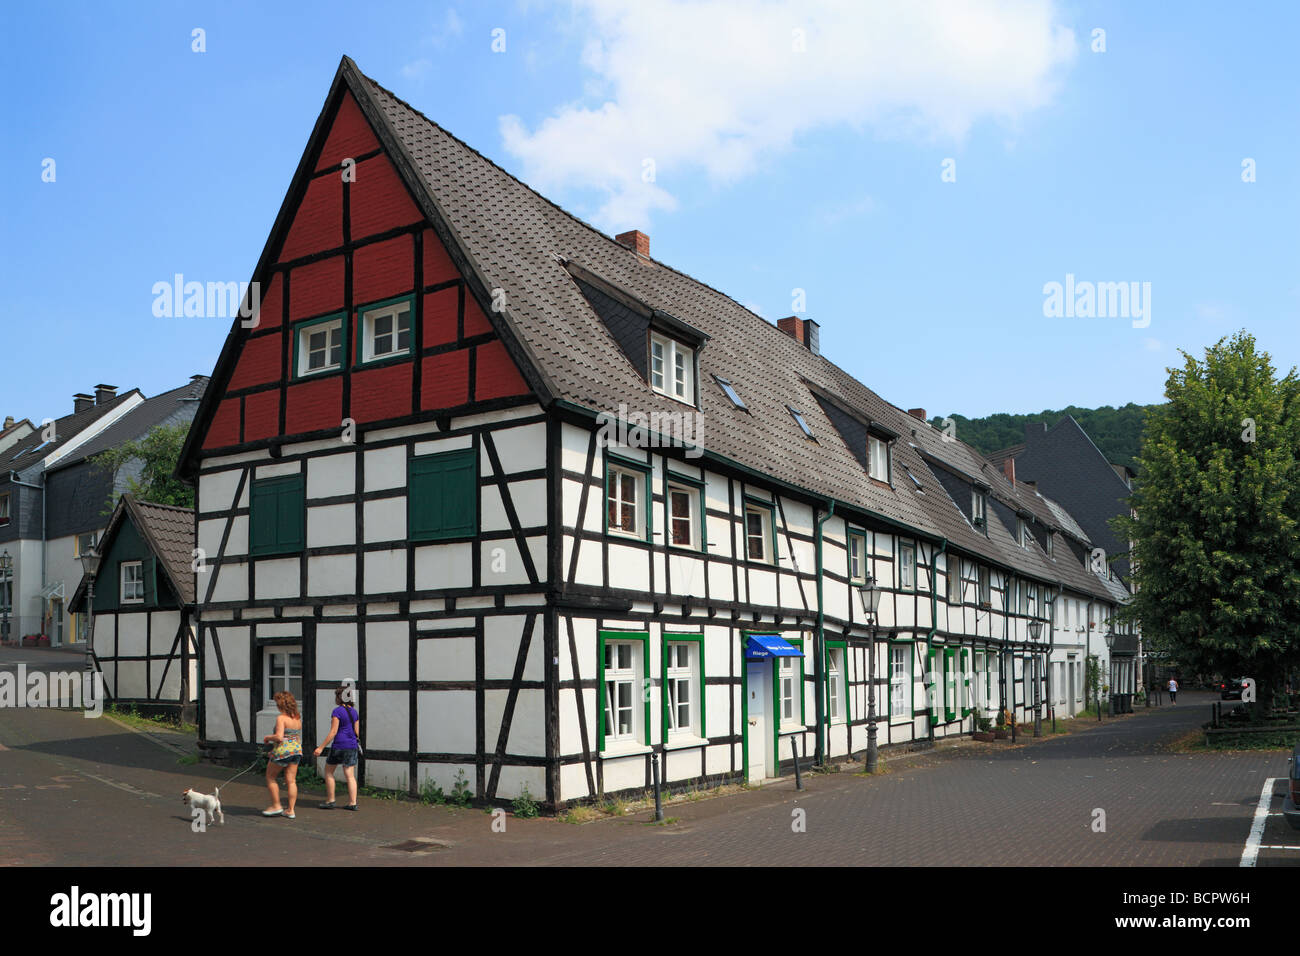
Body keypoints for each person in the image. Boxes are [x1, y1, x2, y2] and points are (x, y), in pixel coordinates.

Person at [314, 686, 361, 810]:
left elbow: (333, 732)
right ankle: (353, 803)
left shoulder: (337, 711)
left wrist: (321, 747)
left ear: (339, 697)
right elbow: (357, 732)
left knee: (329, 772)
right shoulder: (354, 712)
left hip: (339, 745)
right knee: (350, 776)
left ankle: (330, 801)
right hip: (351, 746)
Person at [262, 690, 302, 818]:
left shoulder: (281, 718)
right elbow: (290, 738)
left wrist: (268, 737)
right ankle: (290, 810)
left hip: (282, 752)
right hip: (296, 751)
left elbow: (279, 737)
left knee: (270, 777)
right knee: (291, 781)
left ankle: (276, 806)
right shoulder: (297, 718)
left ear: (280, 705)